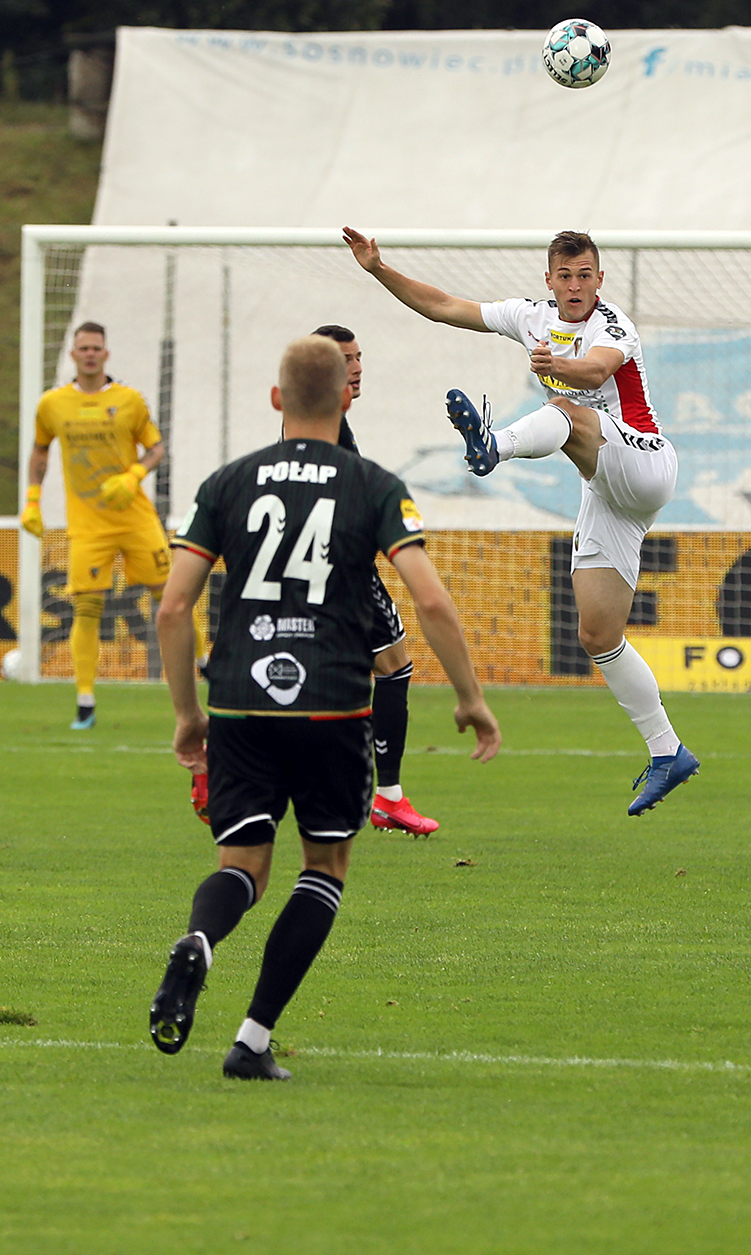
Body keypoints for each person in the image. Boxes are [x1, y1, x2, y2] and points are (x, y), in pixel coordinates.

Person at [148, 336, 501, 1081]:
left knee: (242, 866)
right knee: (324, 865)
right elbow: (431, 599)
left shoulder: (227, 483)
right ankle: (251, 1040)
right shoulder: (373, 484)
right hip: (333, 705)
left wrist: (187, 714)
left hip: (241, 703)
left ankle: (199, 942)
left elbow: (174, 608)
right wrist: (470, 696)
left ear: (278, 399)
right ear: (345, 397)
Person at [344, 227, 697, 815]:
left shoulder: (613, 324)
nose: (576, 286)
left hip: (646, 461)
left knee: (565, 409)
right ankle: (668, 750)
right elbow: (443, 306)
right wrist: (379, 269)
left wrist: (559, 364)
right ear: (549, 279)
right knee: (598, 634)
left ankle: (493, 446)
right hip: (605, 487)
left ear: (600, 279)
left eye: (586, 276)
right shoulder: (531, 317)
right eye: (566, 276)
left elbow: (596, 372)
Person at [308, 323, 437, 837]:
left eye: (359, 357)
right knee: (392, 666)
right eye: (346, 360)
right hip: (342, 568)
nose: (358, 368)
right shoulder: (323, 423)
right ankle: (387, 798)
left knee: (328, 671)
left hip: (320, 567)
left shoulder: (320, 417)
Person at [22, 322, 170, 729]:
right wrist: (32, 500)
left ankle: (204, 665)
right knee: (87, 607)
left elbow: (156, 447)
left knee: (169, 595)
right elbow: (40, 451)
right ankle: (85, 700)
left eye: (96, 348)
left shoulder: (129, 400)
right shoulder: (52, 404)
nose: (89, 354)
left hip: (135, 516)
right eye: (83, 348)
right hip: (88, 524)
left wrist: (134, 476)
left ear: (106, 354)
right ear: (73, 354)